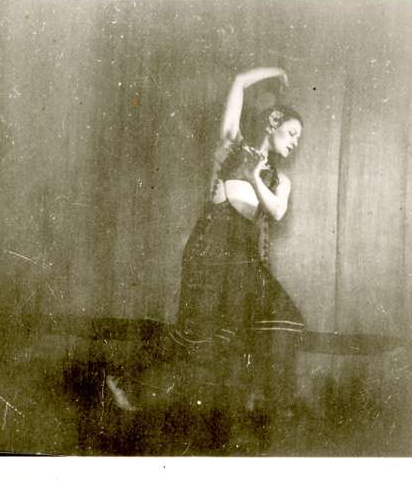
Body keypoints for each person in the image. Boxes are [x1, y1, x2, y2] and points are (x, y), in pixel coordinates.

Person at [107, 67, 305, 418]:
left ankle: (265, 399)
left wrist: (255, 177)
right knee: (194, 335)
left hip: (243, 262)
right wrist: (275, 71)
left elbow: (276, 211)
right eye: (291, 133)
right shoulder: (231, 146)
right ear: (272, 123)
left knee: (283, 319)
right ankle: (126, 383)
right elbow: (239, 82)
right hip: (208, 256)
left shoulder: (280, 179)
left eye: (298, 139)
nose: (294, 143)